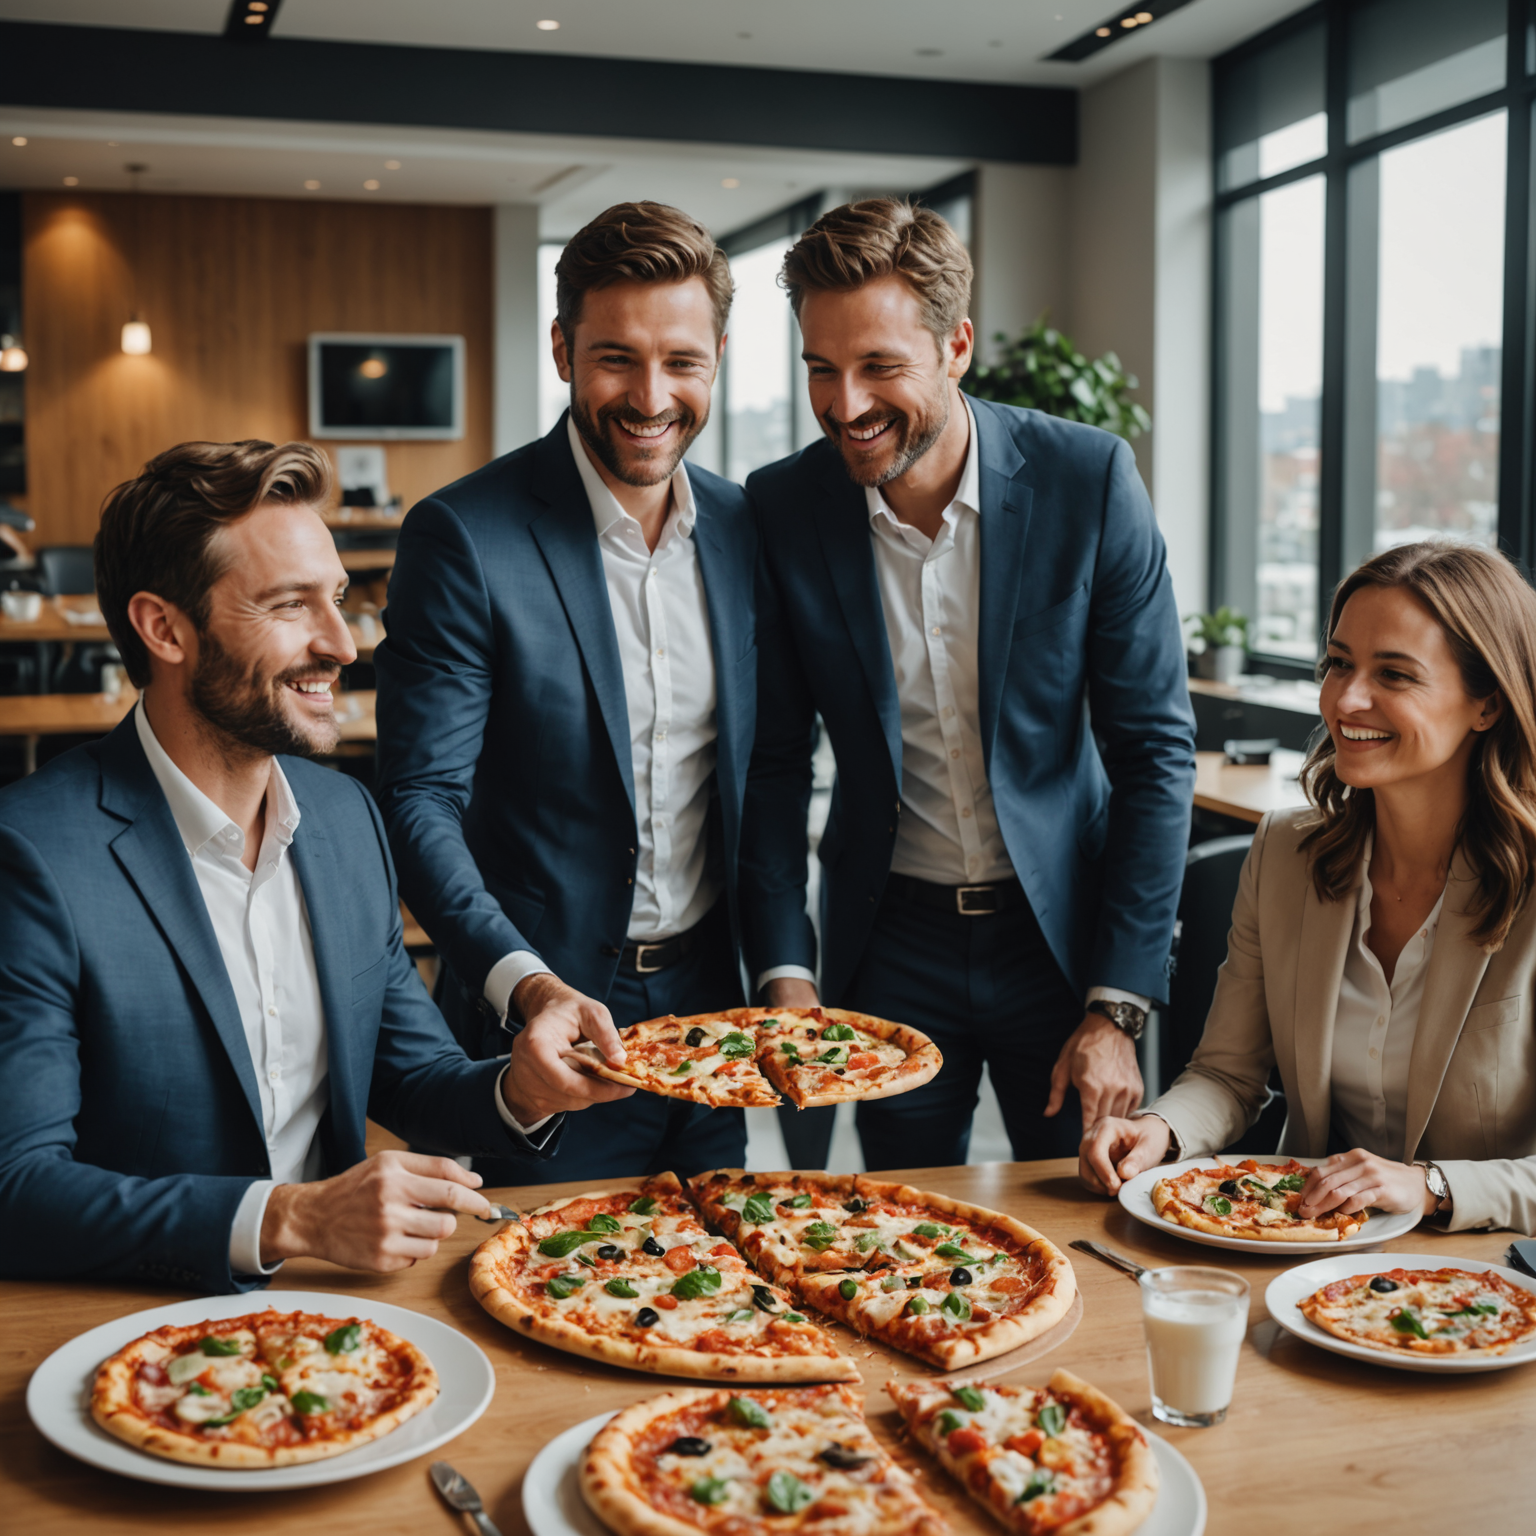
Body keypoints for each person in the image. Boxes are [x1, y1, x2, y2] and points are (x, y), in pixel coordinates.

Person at [0, 440, 574, 1292]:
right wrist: (291, 1218)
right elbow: (18, 1189)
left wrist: (522, 1089)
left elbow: (412, 1077)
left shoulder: (345, 819)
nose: (343, 643)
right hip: (129, 1328)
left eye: (337, 599)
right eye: (289, 606)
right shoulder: (32, 854)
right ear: (164, 628)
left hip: (338, 1322)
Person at [742, 199, 1196, 1170]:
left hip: (1061, 943)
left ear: (955, 346)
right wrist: (785, 968)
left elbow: (1155, 751)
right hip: (888, 938)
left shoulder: (1089, 480)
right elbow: (775, 762)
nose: (844, 403)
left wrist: (1119, 1002)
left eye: (879, 367)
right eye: (821, 367)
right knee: (903, 1234)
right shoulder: (784, 506)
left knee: (1087, 1210)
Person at [374, 201, 756, 1183]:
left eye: (682, 360)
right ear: (561, 349)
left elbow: (773, 768)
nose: (651, 394)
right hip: (545, 1028)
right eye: (616, 357)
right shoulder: (465, 534)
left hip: (718, 1019)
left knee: (729, 1309)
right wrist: (529, 988)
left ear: (717, 353)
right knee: (537, 1303)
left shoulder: (749, 530)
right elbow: (421, 802)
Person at [1081, 541, 1536, 1233]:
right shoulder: (1286, 851)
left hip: (1488, 1285)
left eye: (1395, 674)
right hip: (1310, 1247)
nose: (1348, 698)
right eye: (1339, 663)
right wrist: (1160, 1129)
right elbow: (1228, 1076)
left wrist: (1431, 1187)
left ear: (1488, 706)